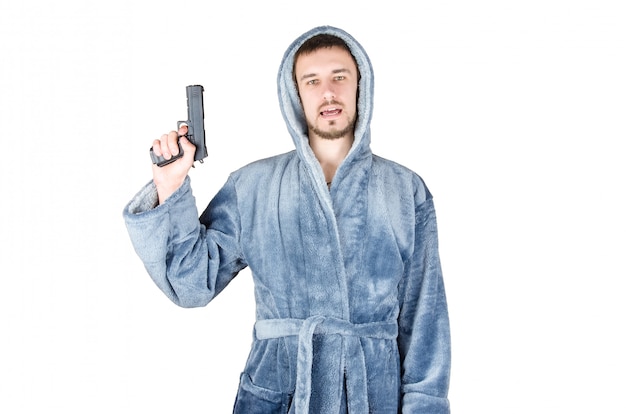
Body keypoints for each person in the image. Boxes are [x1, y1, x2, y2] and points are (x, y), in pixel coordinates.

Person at [123, 25, 451, 413]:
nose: (327, 92)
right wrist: (170, 187)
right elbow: (191, 282)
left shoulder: (404, 190)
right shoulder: (253, 186)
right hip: (278, 395)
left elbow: (424, 320)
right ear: (295, 94)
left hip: (373, 396)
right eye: (312, 81)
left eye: (339, 77)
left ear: (361, 83)